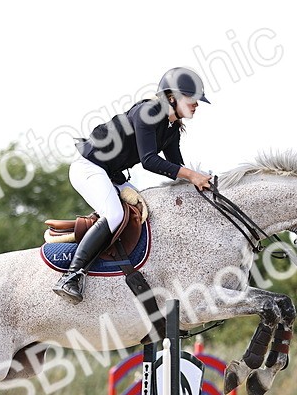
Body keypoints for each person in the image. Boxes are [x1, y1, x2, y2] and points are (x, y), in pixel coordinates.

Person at [53, 66, 214, 302]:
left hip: (111, 175)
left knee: (149, 213)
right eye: (192, 99)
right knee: (115, 215)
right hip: (89, 168)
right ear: (172, 97)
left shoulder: (171, 129)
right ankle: (71, 276)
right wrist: (191, 175)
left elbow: (176, 168)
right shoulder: (148, 111)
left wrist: (202, 181)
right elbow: (149, 160)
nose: (197, 104)